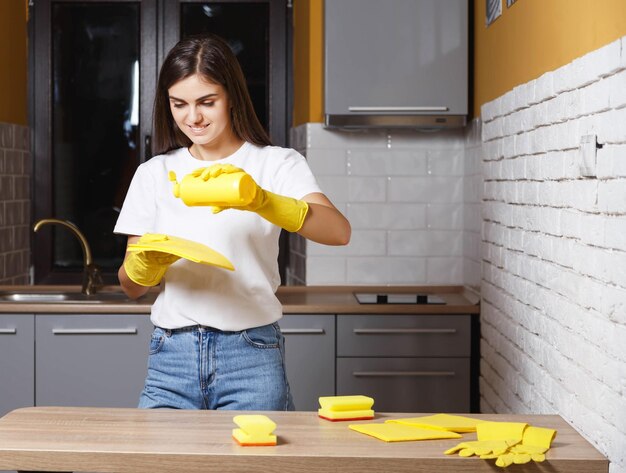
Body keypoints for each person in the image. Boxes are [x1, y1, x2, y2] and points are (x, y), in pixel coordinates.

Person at [114, 33, 351, 411]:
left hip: (251, 355)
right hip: (170, 357)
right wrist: (144, 266)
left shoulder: (275, 164)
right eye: (179, 104)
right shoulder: (153, 174)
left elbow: (338, 232)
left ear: (232, 97)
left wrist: (262, 199)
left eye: (207, 102)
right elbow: (130, 288)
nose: (193, 117)